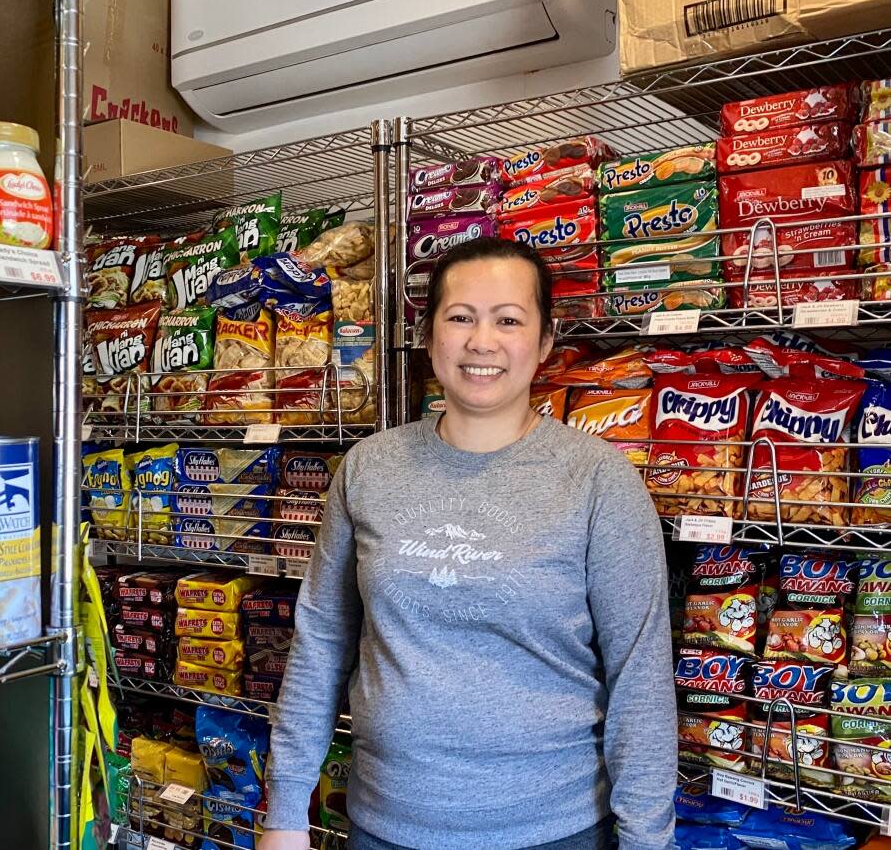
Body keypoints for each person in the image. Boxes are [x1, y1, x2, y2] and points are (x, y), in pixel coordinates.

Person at [258, 237, 676, 850]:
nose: (482, 342)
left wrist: (645, 842)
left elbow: (640, 676)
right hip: (383, 827)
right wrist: (286, 810)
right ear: (430, 337)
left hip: (551, 832)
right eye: (460, 318)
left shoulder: (597, 480)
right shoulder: (369, 468)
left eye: (509, 320)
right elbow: (321, 639)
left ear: (544, 341)